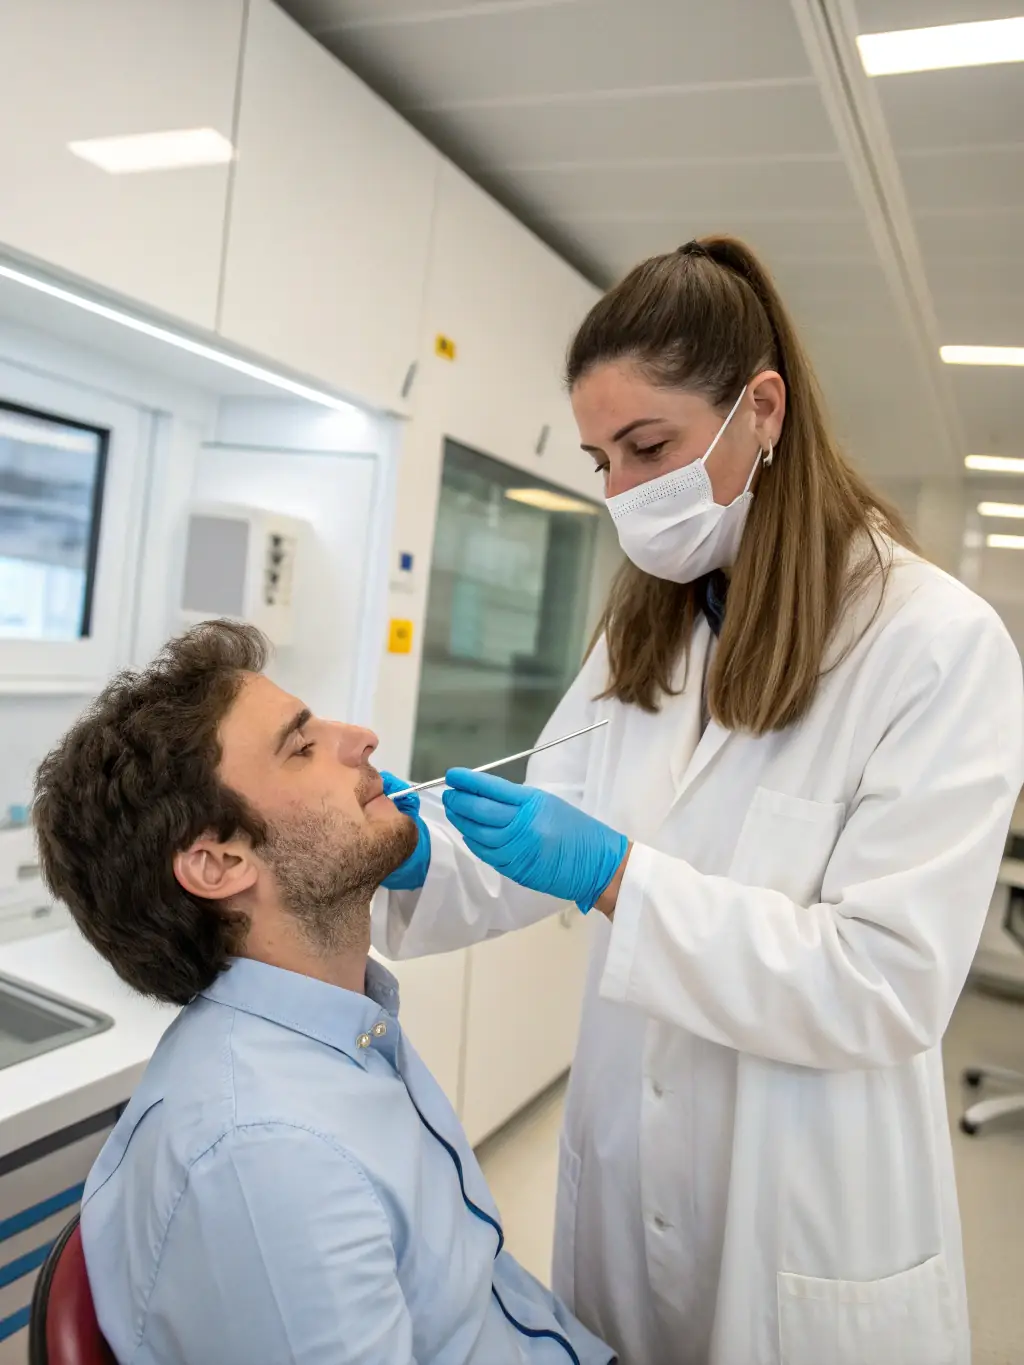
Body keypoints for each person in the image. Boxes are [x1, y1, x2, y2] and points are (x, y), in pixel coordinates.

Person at [374, 236, 1024, 1365]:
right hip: (629, 1171)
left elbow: (886, 982)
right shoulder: (651, 625)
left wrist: (620, 876)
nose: (623, 492)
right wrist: (422, 857)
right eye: (600, 461)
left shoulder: (933, 644)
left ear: (761, 410)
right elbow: (544, 833)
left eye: (648, 446)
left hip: (804, 1196)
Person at [32, 621, 613, 1365]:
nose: (364, 739)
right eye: (302, 747)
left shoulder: (344, 1035)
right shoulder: (271, 1158)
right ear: (218, 862)